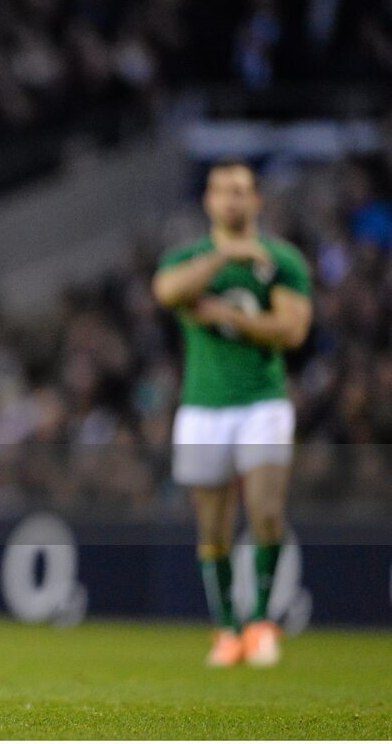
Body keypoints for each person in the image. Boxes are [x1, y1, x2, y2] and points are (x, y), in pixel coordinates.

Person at [152, 159, 312, 668]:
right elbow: (168, 292)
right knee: (213, 527)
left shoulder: (281, 261)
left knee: (265, 511)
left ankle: (262, 620)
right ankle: (227, 628)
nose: (233, 200)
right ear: (209, 201)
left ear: (256, 200)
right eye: (224, 191)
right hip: (203, 407)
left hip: (262, 400)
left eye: (242, 191)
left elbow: (292, 331)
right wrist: (223, 258)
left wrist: (228, 316)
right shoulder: (192, 256)